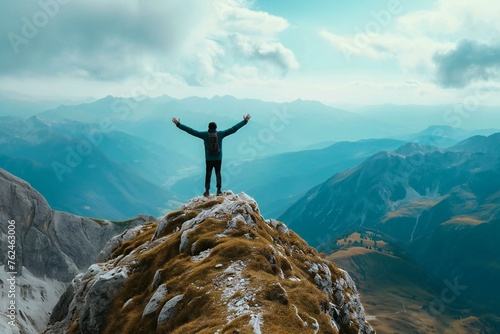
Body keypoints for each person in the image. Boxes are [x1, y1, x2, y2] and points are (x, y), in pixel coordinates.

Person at [172, 114, 251, 196]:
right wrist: (244, 121)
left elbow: (191, 131)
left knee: (208, 174)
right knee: (218, 173)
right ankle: (219, 191)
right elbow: (233, 129)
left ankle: (207, 191)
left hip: (208, 158)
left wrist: (178, 124)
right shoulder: (221, 134)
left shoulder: (204, 135)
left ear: (208, 128)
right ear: (216, 128)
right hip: (218, 158)